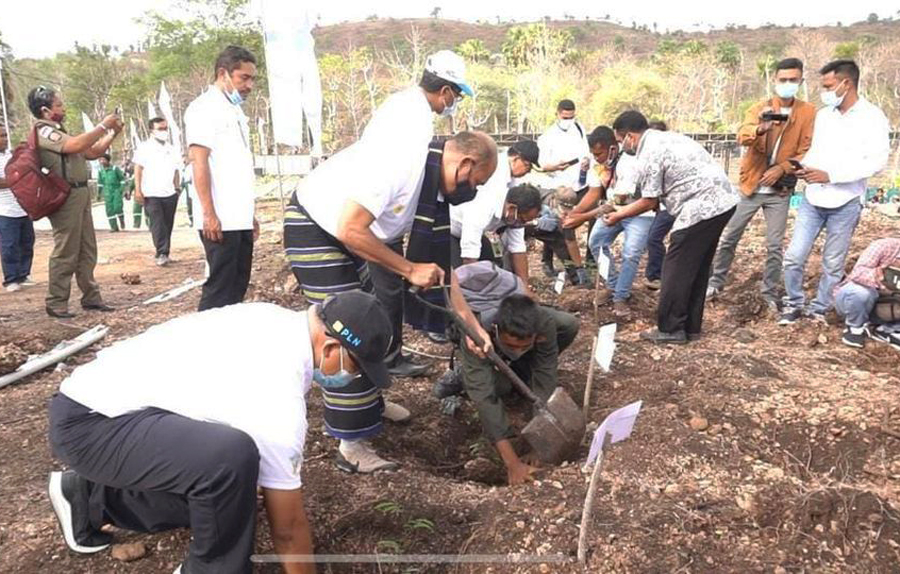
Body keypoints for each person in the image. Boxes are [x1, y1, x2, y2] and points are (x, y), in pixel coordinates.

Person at [48, 290, 393, 574]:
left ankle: (88, 497)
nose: (352, 378)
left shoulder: (274, 319)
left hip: (103, 408)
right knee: (229, 461)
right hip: (92, 424)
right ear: (332, 348)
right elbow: (288, 529)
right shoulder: (277, 392)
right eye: (357, 368)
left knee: (230, 492)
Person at [285, 130, 496, 473]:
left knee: (375, 320)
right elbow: (349, 228)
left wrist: (472, 328)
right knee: (347, 331)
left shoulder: (433, 190)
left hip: (355, 237)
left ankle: (370, 405)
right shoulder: (402, 165)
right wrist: (410, 269)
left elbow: (443, 273)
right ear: (465, 163)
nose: (473, 191)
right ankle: (350, 446)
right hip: (316, 227)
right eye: (475, 181)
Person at [360, 49, 473, 377]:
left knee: (389, 291)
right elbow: (399, 171)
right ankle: (383, 360)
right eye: (457, 97)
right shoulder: (413, 116)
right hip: (374, 216)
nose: (454, 104)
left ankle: (390, 356)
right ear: (446, 91)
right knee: (387, 292)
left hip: (382, 215)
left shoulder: (407, 106)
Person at [608, 111, 738, 343]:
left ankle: (670, 329)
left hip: (701, 206)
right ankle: (690, 327)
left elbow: (649, 201)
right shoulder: (665, 138)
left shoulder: (649, 151)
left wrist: (618, 215)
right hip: (723, 202)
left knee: (675, 267)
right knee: (696, 267)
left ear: (629, 136)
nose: (621, 146)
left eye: (620, 141)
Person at [779, 60, 890, 325]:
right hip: (813, 196)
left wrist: (833, 176)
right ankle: (793, 303)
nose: (824, 91)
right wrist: (803, 167)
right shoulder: (824, 115)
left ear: (846, 83)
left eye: (828, 86)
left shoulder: (872, 118)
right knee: (794, 256)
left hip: (846, 201)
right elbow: (816, 151)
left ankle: (820, 308)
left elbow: (876, 162)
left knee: (832, 261)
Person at [707, 58, 816, 311]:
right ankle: (715, 282)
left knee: (775, 246)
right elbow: (743, 134)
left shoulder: (808, 112)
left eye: (793, 80)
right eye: (783, 79)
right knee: (729, 236)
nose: (788, 84)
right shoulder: (759, 107)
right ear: (774, 80)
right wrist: (760, 128)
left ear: (800, 81)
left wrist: (781, 169)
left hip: (780, 191)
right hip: (751, 186)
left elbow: (806, 148)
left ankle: (768, 293)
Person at [457, 290, 580, 485]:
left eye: (524, 347)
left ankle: (519, 370)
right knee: (499, 386)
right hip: (481, 351)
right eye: (511, 346)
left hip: (530, 339)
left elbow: (545, 377)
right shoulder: (477, 333)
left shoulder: (543, 323)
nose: (517, 351)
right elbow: (485, 399)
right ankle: (459, 375)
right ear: (496, 332)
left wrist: (539, 445)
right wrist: (512, 463)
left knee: (568, 323)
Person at [29, 85, 121, 318]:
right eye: (58, 105)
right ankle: (57, 301)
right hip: (66, 196)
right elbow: (75, 146)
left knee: (87, 248)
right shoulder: (44, 131)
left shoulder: (61, 131)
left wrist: (112, 133)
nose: (63, 108)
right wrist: (103, 125)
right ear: (45, 110)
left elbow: (91, 152)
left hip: (79, 193)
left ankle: (91, 296)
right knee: (66, 250)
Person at [185, 46, 259, 311]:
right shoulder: (203, 108)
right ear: (223, 73)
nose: (249, 85)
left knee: (238, 284)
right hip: (220, 217)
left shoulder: (235, 111)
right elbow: (199, 162)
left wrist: (249, 214)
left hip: (239, 216)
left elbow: (236, 167)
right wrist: (208, 213)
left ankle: (228, 340)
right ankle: (206, 343)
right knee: (220, 287)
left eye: (252, 79)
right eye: (243, 78)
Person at [564, 126, 653, 319]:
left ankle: (621, 296)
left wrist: (583, 217)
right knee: (596, 242)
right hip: (614, 211)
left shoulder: (629, 162)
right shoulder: (603, 166)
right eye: (594, 154)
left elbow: (620, 199)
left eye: (600, 153)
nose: (597, 158)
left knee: (631, 253)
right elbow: (594, 192)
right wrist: (574, 212)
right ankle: (613, 285)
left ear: (613, 148)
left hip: (639, 211)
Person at [449, 139, 542, 284]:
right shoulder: (484, 202)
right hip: (450, 229)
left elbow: (518, 247)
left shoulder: (515, 203)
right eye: (527, 166)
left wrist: (525, 288)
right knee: (458, 278)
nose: (527, 171)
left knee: (490, 264)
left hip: (473, 230)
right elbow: (469, 252)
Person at [537, 99, 591, 284]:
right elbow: (542, 165)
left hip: (578, 184)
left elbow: (586, 151)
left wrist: (585, 162)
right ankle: (570, 270)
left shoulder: (579, 129)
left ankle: (578, 268)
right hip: (558, 187)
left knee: (564, 228)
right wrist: (555, 167)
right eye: (565, 116)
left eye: (572, 116)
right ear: (558, 114)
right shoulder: (548, 136)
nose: (568, 120)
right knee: (559, 228)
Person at [834, 238, 900, 348]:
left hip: (888, 308)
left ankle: (888, 330)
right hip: (857, 301)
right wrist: (881, 277)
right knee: (859, 292)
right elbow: (857, 273)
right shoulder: (883, 246)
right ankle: (855, 328)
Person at [134, 117, 182, 265]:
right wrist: (138, 190)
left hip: (169, 192)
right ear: (152, 131)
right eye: (160, 129)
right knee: (157, 224)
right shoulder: (144, 147)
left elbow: (176, 169)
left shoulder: (171, 148)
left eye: (165, 128)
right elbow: (138, 169)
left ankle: (164, 251)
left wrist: (177, 187)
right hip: (151, 193)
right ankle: (161, 253)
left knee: (168, 224)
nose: (164, 132)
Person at [0, 126, 36, 292]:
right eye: (1, 136)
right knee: (9, 245)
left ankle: (23, 274)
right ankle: (11, 278)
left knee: (27, 242)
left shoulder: (11, 156)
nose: (5, 138)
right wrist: (16, 178)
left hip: (22, 207)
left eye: (5, 135)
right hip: (5, 210)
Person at [641, 120, 672, 291]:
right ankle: (657, 274)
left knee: (654, 238)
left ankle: (657, 275)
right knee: (655, 238)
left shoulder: (664, 153)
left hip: (676, 204)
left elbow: (649, 197)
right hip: (666, 205)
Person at [96, 154, 126, 232]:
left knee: (117, 207)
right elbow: (100, 183)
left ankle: (122, 220)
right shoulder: (100, 171)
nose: (102, 162)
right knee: (109, 210)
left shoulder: (115, 169)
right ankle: (114, 227)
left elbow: (122, 180)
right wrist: (98, 194)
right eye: (100, 160)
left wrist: (121, 190)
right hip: (107, 193)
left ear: (108, 160)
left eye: (103, 160)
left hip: (116, 191)